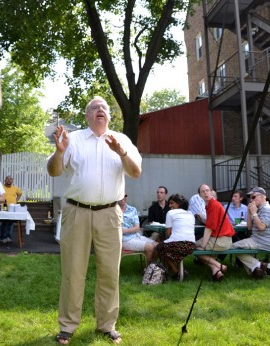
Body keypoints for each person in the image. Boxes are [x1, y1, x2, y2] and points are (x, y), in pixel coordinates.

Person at [47, 96, 142, 345]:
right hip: (76, 212)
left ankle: (106, 325)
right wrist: (59, 152)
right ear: (87, 115)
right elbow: (54, 170)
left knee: (110, 272)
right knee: (73, 272)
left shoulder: (122, 140)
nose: (100, 110)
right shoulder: (73, 139)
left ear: (109, 116)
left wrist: (121, 152)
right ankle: (67, 326)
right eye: (94, 108)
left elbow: (135, 172)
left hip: (110, 213)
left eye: (104, 108)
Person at [231, 187, 270, 279]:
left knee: (232, 247)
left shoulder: (267, 209)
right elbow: (249, 227)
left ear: (262, 196)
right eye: (250, 197)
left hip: (262, 242)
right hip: (257, 240)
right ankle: (257, 269)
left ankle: (257, 266)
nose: (251, 199)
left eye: (253, 197)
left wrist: (254, 213)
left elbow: (261, 227)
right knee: (235, 247)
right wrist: (249, 212)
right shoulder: (259, 209)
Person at [195, 183, 235, 282]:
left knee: (194, 248)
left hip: (221, 241)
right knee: (207, 255)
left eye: (207, 190)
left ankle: (219, 266)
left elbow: (209, 228)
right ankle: (216, 271)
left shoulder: (214, 205)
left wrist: (203, 246)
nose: (205, 193)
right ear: (199, 195)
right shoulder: (211, 204)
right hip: (224, 240)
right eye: (203, 191)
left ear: (211, 192)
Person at [156, 193, 195, 281]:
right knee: (169, 248)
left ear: (178, 203)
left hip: (177, 245)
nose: (169, 205)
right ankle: (181, 271)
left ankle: (176, 271)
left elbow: (168, 234)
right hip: (190, 246)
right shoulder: (190, 214)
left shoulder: (170, 213)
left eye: (172, 203)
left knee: (159, 247)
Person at [119, 194, 157, 263]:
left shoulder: (132, 209)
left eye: (125, 196)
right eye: (121, 196)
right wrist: (130, 230)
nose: (123, 198)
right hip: (124, 240)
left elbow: (137, 228)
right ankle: (148, 270)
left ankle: (153, 267)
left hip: (136, 236)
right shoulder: (113, 211)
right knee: (150, 247)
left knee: (158, 245)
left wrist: (123, 231)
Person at [0, 175, 22, 244]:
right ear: (5, 180)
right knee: (4, 223)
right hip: (4, 208)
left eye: (11, 179)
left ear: (12, 181)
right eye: (8, 179)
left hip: (12, 209)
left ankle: (8, 237)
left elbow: (20, 194)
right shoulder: (1, 188)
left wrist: (16, 200)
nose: (9, 180)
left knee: (11, 223)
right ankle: (3, 237)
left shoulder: (15, 188)